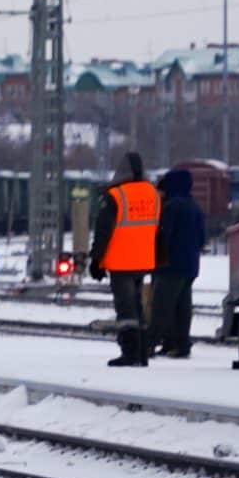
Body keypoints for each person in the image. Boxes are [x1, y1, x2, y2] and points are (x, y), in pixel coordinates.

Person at [89, 151, 160, 367]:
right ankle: (141, 353)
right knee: (137, 307)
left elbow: (103, 232)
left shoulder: (115, 196)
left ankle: (130, 354)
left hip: (121, 261)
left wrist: (96, 261)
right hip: (144, 260)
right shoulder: (152, 193)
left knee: (126, 309)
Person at [151, 167, 206, 358]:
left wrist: (155, 260)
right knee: (182, 309)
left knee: (161, 307)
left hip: (170, 266)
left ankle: (148, 345)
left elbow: (163, 236)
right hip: (190, 266)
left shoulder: (171, 207)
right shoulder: (195, 206)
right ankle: (178, 345)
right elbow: (201, 238)